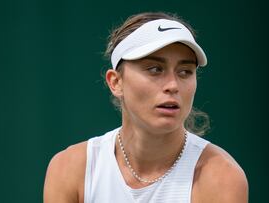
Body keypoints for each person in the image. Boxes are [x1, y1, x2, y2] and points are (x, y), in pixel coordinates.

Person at [44, 12, 248, 203]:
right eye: (154, 69)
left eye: (185, 71)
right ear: (116, 82)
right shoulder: (70, 169)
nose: (173, 85)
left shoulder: (221, 177)